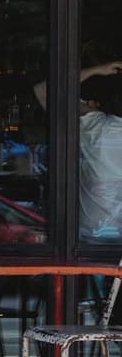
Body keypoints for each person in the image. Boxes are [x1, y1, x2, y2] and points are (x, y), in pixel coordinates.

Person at [35, 61, 122, 239]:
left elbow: (43, 90)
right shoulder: (97, 127)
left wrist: (99, 69)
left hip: (89, 238)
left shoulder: (96, 128)